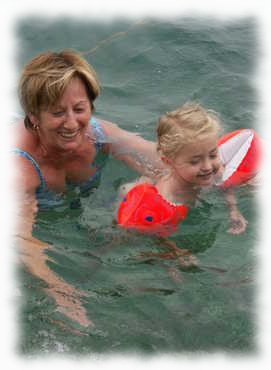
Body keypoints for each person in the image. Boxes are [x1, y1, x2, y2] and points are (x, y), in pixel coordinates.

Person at [12, 49, 165, 328]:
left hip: (80, 209)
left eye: (79, 109)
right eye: (58, 113)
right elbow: (22, 241)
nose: (72, 123)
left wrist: (222, 170)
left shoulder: (97, 133)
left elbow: (164, 159)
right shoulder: (18, 169)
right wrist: (59, 289)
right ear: (34, 117)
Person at [117, 103, 248, 260]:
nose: (208, 167)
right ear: (169, 161)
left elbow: (225, 183)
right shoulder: (168, 196)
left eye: (213, 155)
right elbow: (153, 235)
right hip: (144, 206)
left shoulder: (214, 168)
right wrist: (175, 253)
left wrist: (233, 209)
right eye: (195, 161)